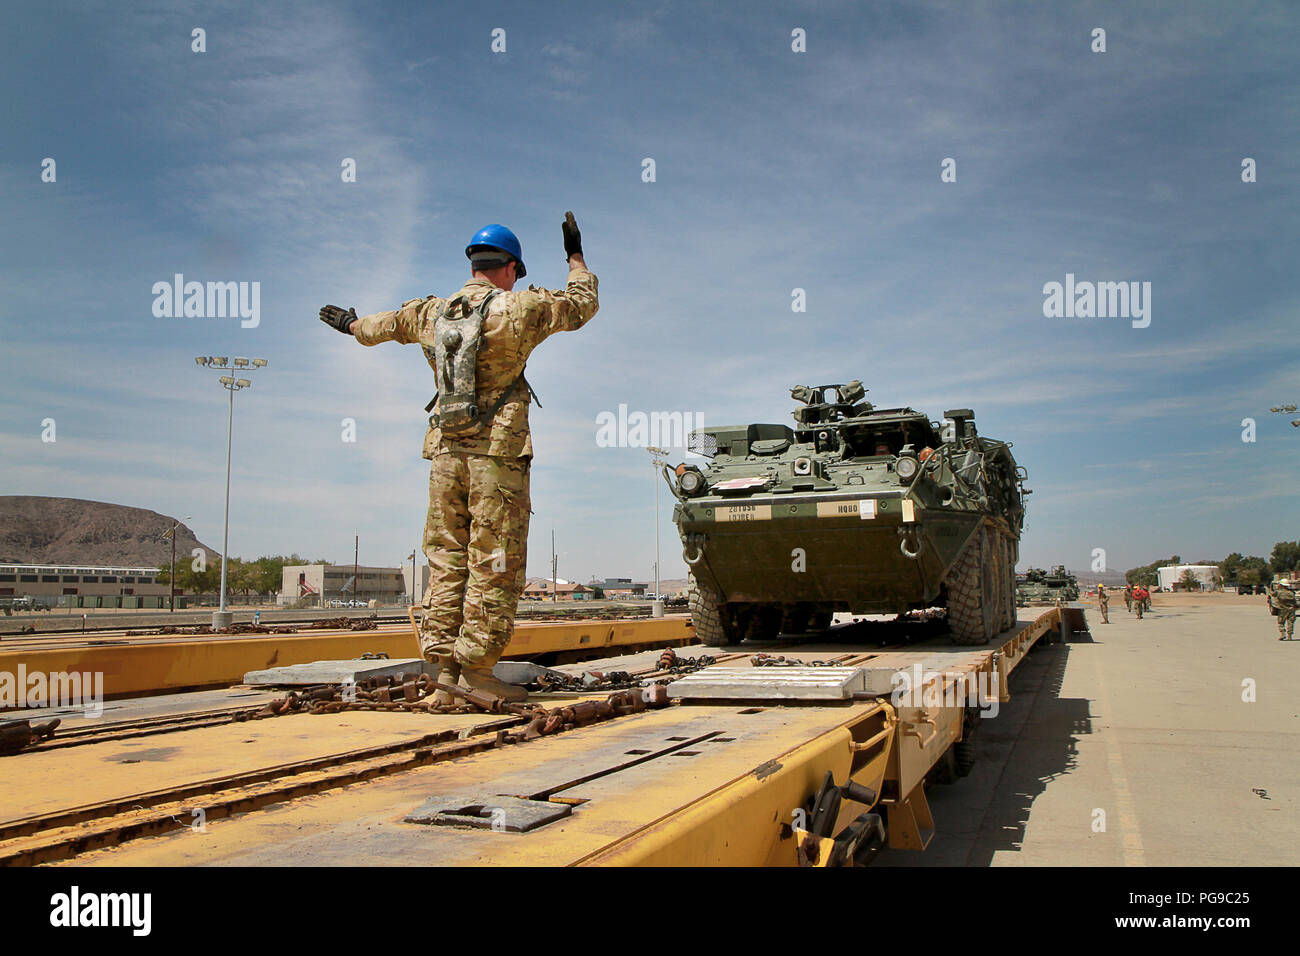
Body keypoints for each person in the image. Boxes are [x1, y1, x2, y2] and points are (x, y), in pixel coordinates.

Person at [318, 214, 598, 702]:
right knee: (494, 560)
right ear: (510, 267)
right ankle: (478, 673)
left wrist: (349, 323)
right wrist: (575, 257)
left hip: (446, 454)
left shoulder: (432, 313)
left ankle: (443, 673)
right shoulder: (521, 309)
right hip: (497, 458)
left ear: (473, 263)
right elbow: (582, 304)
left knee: (446, 560)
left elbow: (375, 327)